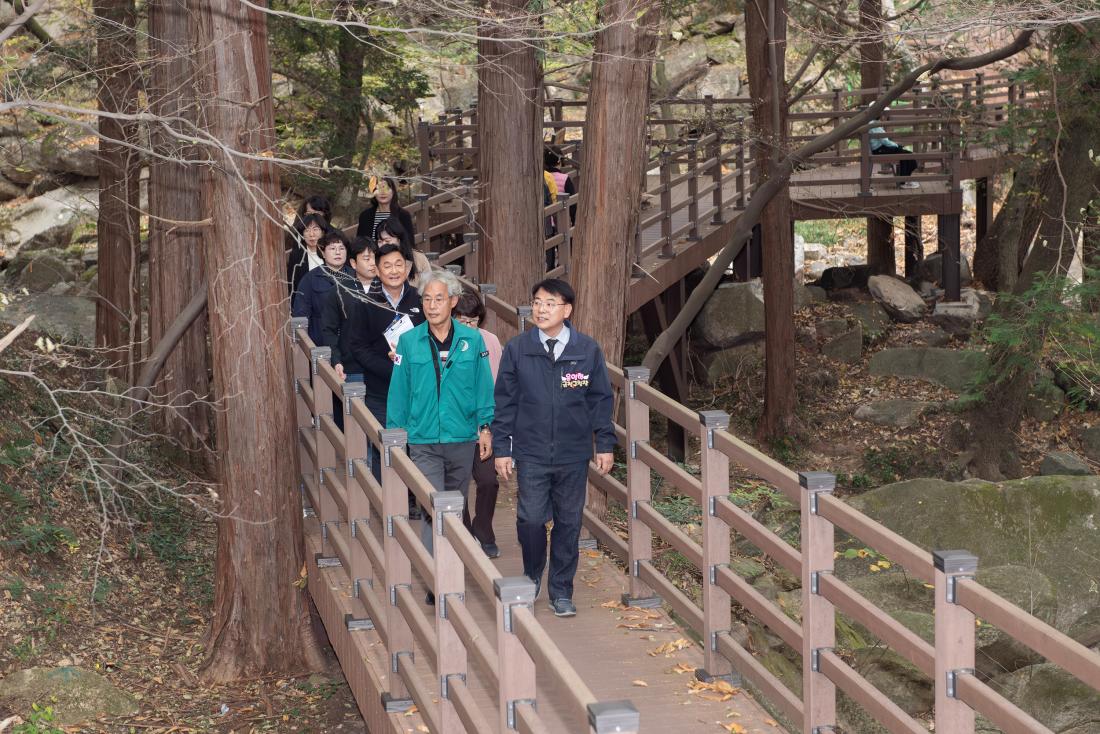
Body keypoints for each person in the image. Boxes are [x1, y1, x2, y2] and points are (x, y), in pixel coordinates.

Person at [491, 278, 616, 618]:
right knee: (530, 519)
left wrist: (604, 443)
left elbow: (600, 401)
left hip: (573, 453)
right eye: (537, 302)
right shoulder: (518, 349)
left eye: (550, 303)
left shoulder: (585, 350)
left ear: (567, 310)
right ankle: (532, 573)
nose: (541, 309)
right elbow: (504, 403)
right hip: (530, 452)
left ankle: (561, 590)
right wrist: (502, 447)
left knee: (568, 522)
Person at [386, 270, 495, 605]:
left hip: (462, 438)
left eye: (438, 299)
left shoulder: (472, 340)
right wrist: (396, 437)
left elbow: (482, 387)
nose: (431, 305)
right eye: (426, 299)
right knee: (436, 509)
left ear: (453, 302)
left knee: (455, 507)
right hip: (423, 440)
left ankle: (452, 572)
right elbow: (399, 392)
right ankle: (439, 581)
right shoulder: (409, 341)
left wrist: (485, 427)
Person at [344, 239, 425, 481]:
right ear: (377, 270)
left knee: (417, 445)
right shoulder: (366, 302)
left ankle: (414, 500)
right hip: (381, 389)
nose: (393, 271)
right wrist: (390, 369)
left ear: (407, 268)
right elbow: (357, 347)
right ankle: (388, 503)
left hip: (418, 388)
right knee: (386, 447)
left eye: (398, 264)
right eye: (387, 265)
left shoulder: (420, 300)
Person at [454, 290, 503, 558]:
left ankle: (483, 530)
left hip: (485, 425)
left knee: (488, 482)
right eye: (462, 320)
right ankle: (464, 534)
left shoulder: (490, 341)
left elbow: (498, 382)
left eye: (473, 321)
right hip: (454, 428)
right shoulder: (444, 341)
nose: (468, 326)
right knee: (457, 484)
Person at [322, 236, 378, 386]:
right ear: (353, 263)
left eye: (375, 258)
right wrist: (336, 360)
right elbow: (328, 329)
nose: (373, 263)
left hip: (384, 366)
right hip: (352, 368)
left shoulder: (388, 288)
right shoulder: (339, 290)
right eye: (366, 259)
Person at [291, 228, 351, 346]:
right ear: (323, 252)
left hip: (352, 346)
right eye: (332, 248)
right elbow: (301, 315)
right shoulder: (309, 279)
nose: (338, 252)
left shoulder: (356, 276)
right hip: (321, 344)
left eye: (342, 248)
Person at [378, 216, 432, 289]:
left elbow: (429, 285)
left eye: (387, 241)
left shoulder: (418, 258)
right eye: (380, 241)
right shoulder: (375, 260)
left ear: (399, 240)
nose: (383, 245)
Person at [356, 176, 416, 242]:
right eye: (379, 188)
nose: (383, 192)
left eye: (387, 188)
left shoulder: (403, 215)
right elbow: (360, 243)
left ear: (393, 192)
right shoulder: (365, 216)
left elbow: (409, 243)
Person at [868, 119, 920, 189]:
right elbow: (885, 141)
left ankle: (905, 180)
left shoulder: (872, 124)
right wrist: (897, 145)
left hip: (880, 149)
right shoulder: (875, 126)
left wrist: (896, 145)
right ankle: (903, 182)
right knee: (906, 155)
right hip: (880, 150)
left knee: (906, 154)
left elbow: (884, 141)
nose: (885, 119)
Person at [287, 213, 329, 296]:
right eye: (307, 230)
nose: (311, 234)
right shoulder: (296, 256)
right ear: (302, 234)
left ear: (323, 232)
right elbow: (293, 285)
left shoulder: (330, 252)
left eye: (315, 229)